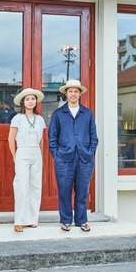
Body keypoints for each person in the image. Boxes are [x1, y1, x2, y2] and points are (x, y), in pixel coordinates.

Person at [48, 79, 98, 232]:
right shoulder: (58, 114)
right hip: (64, 160)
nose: (73, 94)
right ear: (66, 94)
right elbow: (52, 138)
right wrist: (57, 155)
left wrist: (90, 153)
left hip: (85, 159)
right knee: (64, 191)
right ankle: (66, 220)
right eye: (70, 91)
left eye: (76, 91)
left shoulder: (87, 113)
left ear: (80, 94)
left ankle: (82, 221)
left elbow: (94, 137)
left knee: (82, 191)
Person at [8, 88, 46, 233]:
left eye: (33, 99)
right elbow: (11, 138)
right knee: (21, 185)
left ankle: (32, 219)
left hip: (36, 153)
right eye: (28, 99)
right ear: (23, 102)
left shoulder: (40, 119)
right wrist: (14, 155)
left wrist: (40, 156)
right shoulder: (17, 118)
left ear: (36, 101)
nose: (31, 101)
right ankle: (19, 221)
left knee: (35, 186)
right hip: (22, 151)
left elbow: (41, 140)